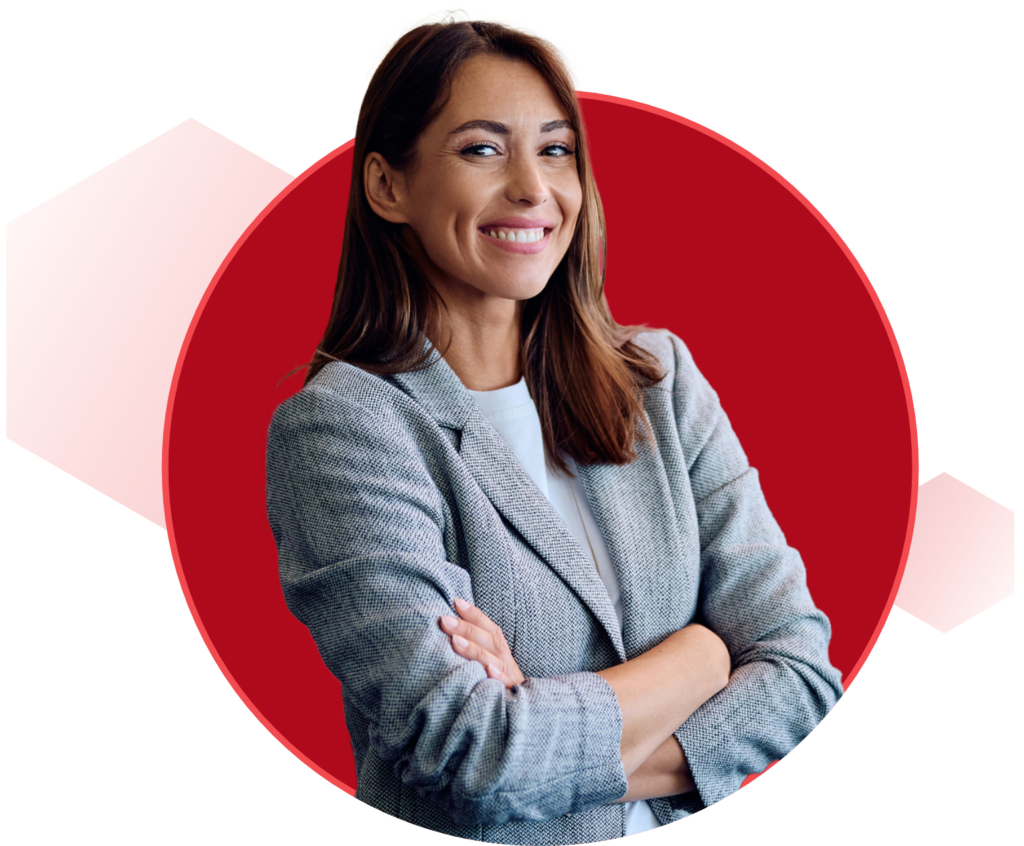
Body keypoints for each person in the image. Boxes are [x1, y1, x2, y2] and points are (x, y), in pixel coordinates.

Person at [265, 8, 844, 843]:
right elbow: (474, 759)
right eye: (482, 149)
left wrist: (541, 736)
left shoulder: (660, 380)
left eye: (555, 149)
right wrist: (703, 659)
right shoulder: (345, 430)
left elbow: (799, 672)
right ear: (388, 185)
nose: (534, 190)